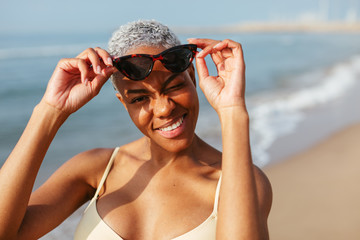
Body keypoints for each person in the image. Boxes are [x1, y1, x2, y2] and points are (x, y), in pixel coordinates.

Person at [0, 20, 272, 240]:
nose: (164, 108)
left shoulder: (238, 182)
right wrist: (51, 111)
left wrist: (233, 110)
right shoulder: (97, 169)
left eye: (174, 86)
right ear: (124, 103)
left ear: (192, 77)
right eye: (140, 98)